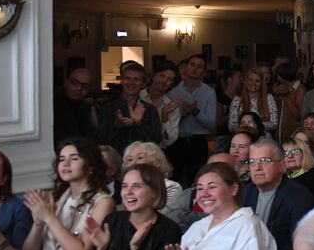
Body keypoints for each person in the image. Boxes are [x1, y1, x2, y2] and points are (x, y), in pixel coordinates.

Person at [87, 163, 182, 250]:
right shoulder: (112, 220)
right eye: (124, 186)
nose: (128, 192)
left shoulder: (169, 229)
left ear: (154, 191)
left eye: (136, 186)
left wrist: (136, 248)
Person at [241, 139, 314, 250]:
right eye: (252, 161)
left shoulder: (299, 196)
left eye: (264, 160)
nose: (257, 167)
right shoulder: (245, 192)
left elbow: (299, 245)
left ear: (282, 166)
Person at [167, 55, 217, 186]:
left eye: (199, 67)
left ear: (204, 72)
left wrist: (196, 112)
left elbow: (211, 123)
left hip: (198, 142)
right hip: (176, 142)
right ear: (186, 67)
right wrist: (181, 114)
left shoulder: (209, 92)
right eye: (192, 65)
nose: (195, 69)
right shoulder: (173, 91)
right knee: (174, 181)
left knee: (196, 181)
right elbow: (166, 122)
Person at [98, 63, 163, 153]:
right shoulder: (108, 108)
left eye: (136, 79)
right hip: (116, 162)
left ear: (143, 84)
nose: (131, 83)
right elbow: (100, 141)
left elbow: (157, 140)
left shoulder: (150, 109)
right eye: (127, 78)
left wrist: (140, 124)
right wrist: (117, 126)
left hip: (142, 161)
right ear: (122, 81)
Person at [54, 66, 98, 147]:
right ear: (66, 83)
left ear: (89, 90)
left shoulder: (85, 107)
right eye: (74, 83)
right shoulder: (52, 104)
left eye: (85, 86)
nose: (79, 88)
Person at [229, 68, 279, 139]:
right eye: (251, 80)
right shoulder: (237, 100)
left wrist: (249, 124)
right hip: (243, 140)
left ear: (261, 83)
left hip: (264, 142)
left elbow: (274, 124)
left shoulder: (268, 98)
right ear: (246, 81)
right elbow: (232, 126)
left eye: (257, 81)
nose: (253, 83)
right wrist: (254, 124)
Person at [283, 136, 314, 206]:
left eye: (295, 152)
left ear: (305, 154)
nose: (290, 156)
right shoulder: (280, 179)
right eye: (285, 153)